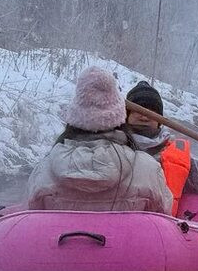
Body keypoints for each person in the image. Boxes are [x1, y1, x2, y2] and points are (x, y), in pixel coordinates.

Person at [25, 65, 172, 214]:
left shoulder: (43, 170)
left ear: (74, 120)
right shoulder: (149, 170)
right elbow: (163, 217)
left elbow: (34, 218)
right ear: (121, 119)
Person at [125, 80, 198, 213]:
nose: (144, 116)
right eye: (138, 109)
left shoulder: (176, 155)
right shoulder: (109, 146)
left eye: (152, 110)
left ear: (160, 121)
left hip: (162, 230)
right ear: (126, 115)